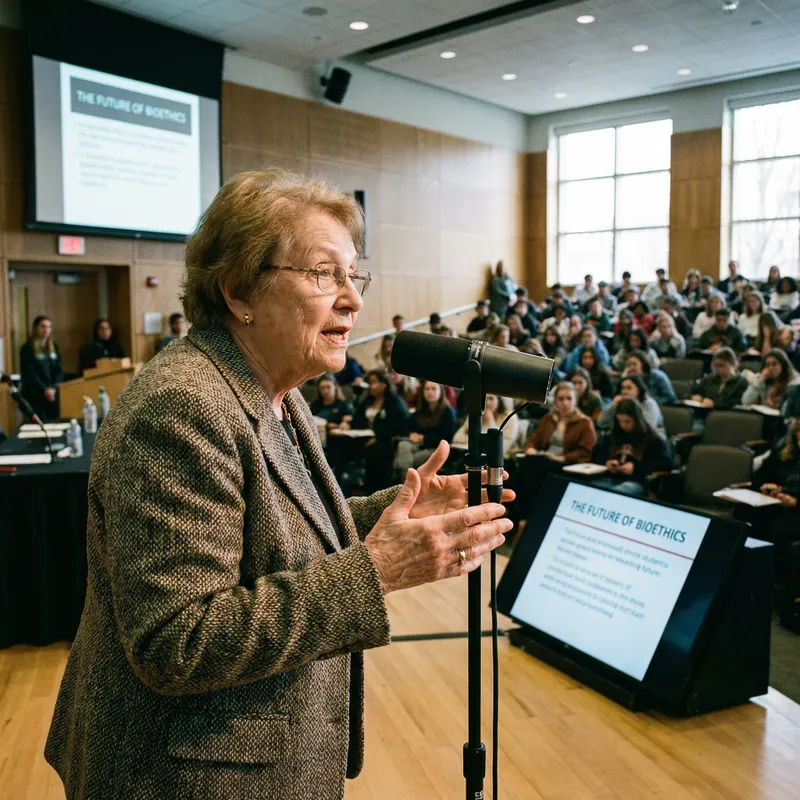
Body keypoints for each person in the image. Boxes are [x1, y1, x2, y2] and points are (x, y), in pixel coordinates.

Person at [44, 170, 513, 800]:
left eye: (354, 275)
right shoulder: (182, 407)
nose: (351, 298)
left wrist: (390, 514)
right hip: (183, 776)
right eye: (325, 273)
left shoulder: (271, 390)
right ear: (239, 288)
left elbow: (267, 530)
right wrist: (377, 570)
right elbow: (178, 640)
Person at [513, 382, 597, 522]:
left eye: (569, 399)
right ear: (556, 401)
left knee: (529, 470)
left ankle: (525, 516)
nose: (565, 403)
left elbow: (586, 452)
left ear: (575, 400)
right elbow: (533, 440)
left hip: (565, 464)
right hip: (543, 460)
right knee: (527, 468)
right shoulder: (549, 419)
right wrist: (531, 449)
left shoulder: (584, 423)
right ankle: (525, 515)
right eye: (561, 399)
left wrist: (563, 458)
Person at [591, 398, 672, 496]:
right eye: (620, 421)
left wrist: (636, 468)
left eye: (627, 421)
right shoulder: (614, 435)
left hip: (638, 481)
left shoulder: (653, 439)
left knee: (616, 493)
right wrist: (607, 463)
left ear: (637, 419)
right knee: (591, 489)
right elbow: (597, 454)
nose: (623, 425)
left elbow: (664, 464)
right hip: (612, 478)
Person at [394, 381, 456, 478]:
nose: (430, 392)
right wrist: (411, 434)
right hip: (417, 445)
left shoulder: (448, 412)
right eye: (427, 389)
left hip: (435, 448)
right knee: (403, 445)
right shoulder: (421, 410)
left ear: (441, 391)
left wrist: (424, 439)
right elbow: (405, 427)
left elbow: (446, 437)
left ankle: (406, 479)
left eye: (433, 389)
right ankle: (408, 479)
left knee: (404, 458)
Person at [19, 315, 64, 421]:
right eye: (43, 326)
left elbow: (60, 371)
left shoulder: (54, 347)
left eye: (49, 327)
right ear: (36, 329)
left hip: (53, 395)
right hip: (36, 395)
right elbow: (30, 373)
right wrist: (45, 389)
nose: (46, 330)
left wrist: (53, 388)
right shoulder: (27, 348)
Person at [451, 393, 519, 456]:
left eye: (491, 399)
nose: (487, 403)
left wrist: (490, 421)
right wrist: (477, 441)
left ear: (499, 400)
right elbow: (456, 438)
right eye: (485, 399)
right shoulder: (476, 414)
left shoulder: (510, 417)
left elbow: (498, 447)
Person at [597, 374, 665, 436]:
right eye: (623, 388)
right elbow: (601, 423)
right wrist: (612, 405)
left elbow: (647, 428)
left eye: (629, 388)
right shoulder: (620, 403)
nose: (625, 391)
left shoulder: (649, 403)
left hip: (650, 439)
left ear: (639, 389)